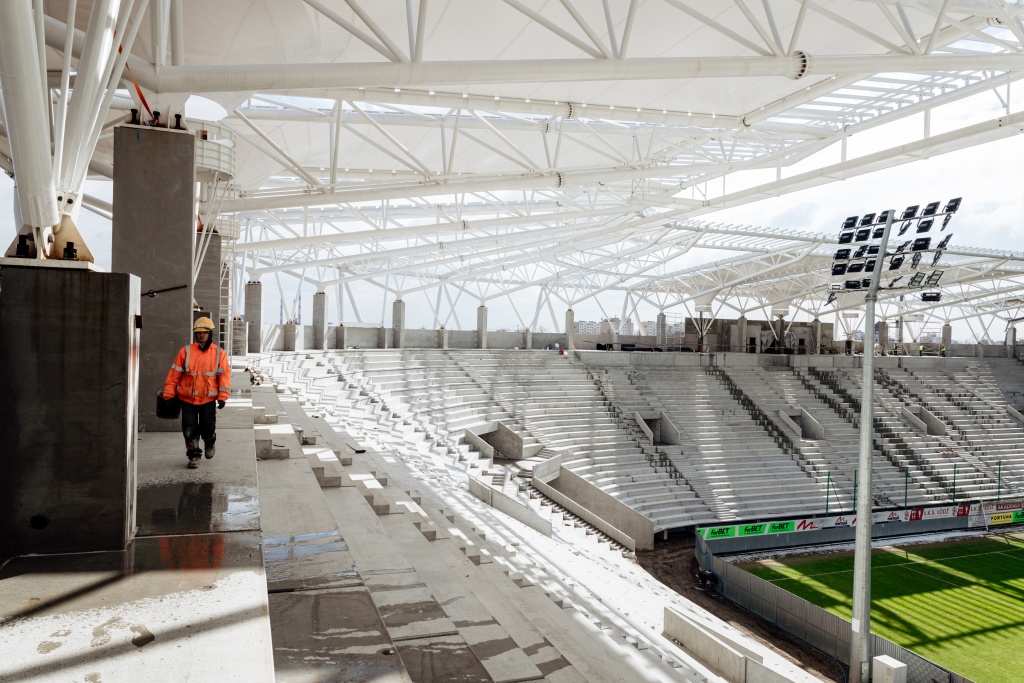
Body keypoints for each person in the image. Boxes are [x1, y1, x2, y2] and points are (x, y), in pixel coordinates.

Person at [163, 317, 231, 469]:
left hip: (208, 399)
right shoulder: (185, 351)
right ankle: (193, 455)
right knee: (189, 428)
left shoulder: (219, 353)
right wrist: (168, 394)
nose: (201, 335)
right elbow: (174, 375)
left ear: (210, 333)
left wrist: (222, 397)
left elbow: (224, 377)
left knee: (207, 426)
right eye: (198, 332)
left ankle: (209, 441)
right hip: (187, 398)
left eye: (204, 332)